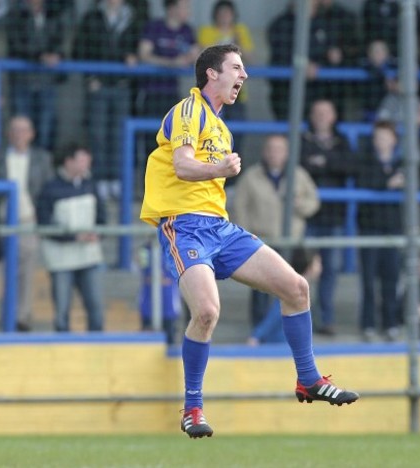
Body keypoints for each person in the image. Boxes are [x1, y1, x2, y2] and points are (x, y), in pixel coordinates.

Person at [139, 44, 359, 439]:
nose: (244, 75)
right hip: (184, 228)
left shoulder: (222, 127)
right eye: (236, 68)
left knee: (297, 287)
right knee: (206, 312)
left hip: (220, 228)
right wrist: (219, 167)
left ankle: (308, 379)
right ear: (212, 73)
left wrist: (219, 169)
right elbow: (182, 164)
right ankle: (192, 408)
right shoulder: (188, 111)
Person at [0, 115, 53, 331]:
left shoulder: (42, 159)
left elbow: (47, 191)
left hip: (27, 220)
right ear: (8, 133)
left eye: (23, 130)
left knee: (26, 271)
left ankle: (22, 315)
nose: (19, 134)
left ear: (31, 134)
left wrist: (43, 218)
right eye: (15, 129)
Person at [232, 134, 319, 330]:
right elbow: (240, 207)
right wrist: (246, 237)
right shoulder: (251, 177)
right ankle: (259, 330)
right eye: (271, 149)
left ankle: (293, 330)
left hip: (292, 241)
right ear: (264, 152)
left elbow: (313, 202)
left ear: (287, 153)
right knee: (261, 290)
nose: (275, 153)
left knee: (293, 288)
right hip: (263, 241)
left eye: (279, 149)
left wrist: (298, 205)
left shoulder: (299, 175)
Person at [72, 0, 140, 200]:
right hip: (98, 86)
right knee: (98, 135)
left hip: (122, 86)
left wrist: (133, 59)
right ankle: (100, 180)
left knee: (119, 136)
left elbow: (140, 47)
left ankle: (116, 181)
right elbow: (80, 49)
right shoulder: (91, 18)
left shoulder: (133, 18)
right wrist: (89, 78)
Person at [36, 143, 105, 332]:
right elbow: (44, 224)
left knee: (96, 307)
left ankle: (97, 345)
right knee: (62, 310)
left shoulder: (91, 185)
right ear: (68, 162)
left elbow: (102, 218)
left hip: (89, 257)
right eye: (82, 160)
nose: (86, 165)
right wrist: (73, 237)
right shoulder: (50, 189)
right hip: (61, 260)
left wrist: (98, 233)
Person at [300, 99, 354, 336]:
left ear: (334, 116)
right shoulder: (302, 140)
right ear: (311, 115)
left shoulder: (342, 141)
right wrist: (330, 165)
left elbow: (351, 166)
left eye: (326, 112)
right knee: (301, 272)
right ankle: (302, 321)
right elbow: (299, 165)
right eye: (317, 112)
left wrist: (323, 162)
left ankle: (326, 319)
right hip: (307, 218)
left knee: (330, 271)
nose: (321, 116)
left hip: (334, 218)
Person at [355, 120, 403, 342]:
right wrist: (389, 182)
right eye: (378, 136)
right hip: (369, 227)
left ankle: (391, 324)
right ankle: (368, 324)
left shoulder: (403, 161)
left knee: (391, 279)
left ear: (394, 139)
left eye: (386, 136)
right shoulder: (365, 159)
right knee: (368, 281)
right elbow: (366, 181)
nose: (382, 140)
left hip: (393, 228)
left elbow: (419, 181)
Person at [137, 0, 200, 159]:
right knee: (151, 141)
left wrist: (191, 57)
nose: (188, 11)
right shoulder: (155, 27)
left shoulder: (187, 31)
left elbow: (197, 54)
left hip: (173, 95)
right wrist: (171, 63)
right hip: (151, 93)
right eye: (184, 7)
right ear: (172, 8)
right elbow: (144, 54)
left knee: (172, 141)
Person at [6, 0, 65, 151]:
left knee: (45, 127)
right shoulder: (16, 16)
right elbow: (15, 45)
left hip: (46, 82)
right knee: (21, 127)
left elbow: (59, 42)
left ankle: (40, 165)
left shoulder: (54, 16)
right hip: (22, 81)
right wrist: (40, 56)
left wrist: (55, 54)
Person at [197, 0, 255, 153]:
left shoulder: (240, 31)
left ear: (233, 15)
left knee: (236, 139)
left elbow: (250, 57)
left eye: (228, 13)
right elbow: (203, 56)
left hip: (237, 94)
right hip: (213, 93)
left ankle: (233, 174)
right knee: (211, 137)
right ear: (215, 15)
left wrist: (237, 42)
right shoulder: (207, 31)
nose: (224, 17)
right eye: (221, 13)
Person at [247, 249, 322, 345]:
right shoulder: (294, 289)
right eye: (318, 263)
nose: (321, 267)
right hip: (282, 348)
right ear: (309, 266)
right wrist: (256, 336)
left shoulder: (300, 288)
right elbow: (274, 315)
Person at [137, 242, 182, 345]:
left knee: (170, 337)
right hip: (148, 302)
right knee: (147, 338)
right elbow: (144, 273)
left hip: (168, 302)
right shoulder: (144, 250)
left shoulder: (175, 250)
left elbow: (173, 274)